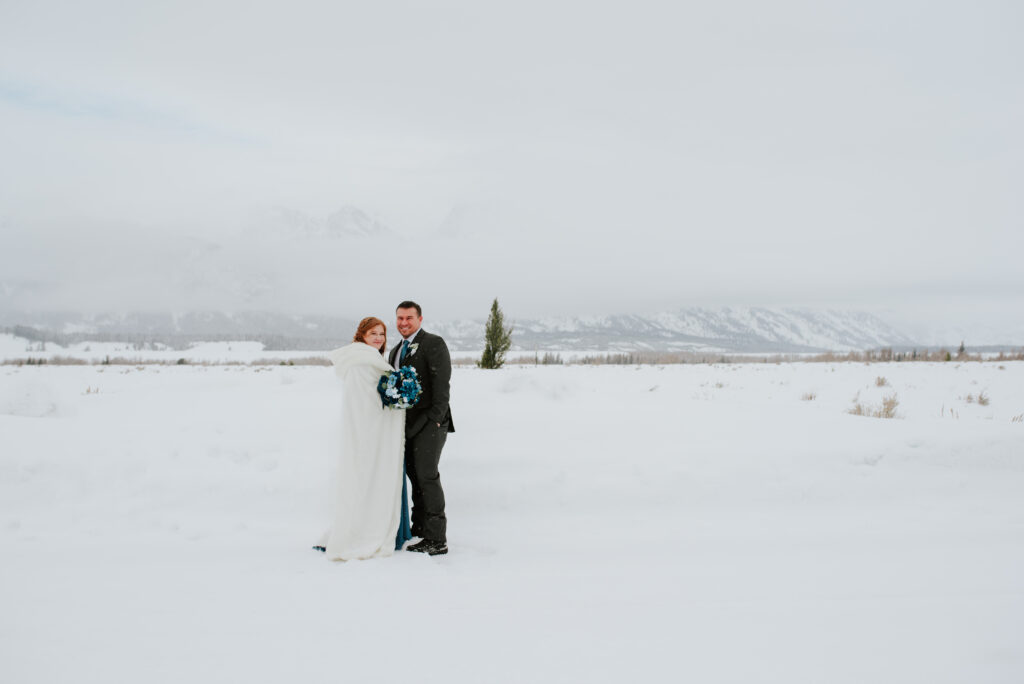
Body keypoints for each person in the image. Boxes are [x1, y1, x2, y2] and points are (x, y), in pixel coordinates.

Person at [314, 317, 412, 560]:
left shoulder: (371, 360)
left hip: (375, 434)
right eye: (373, 334)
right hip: (368, 436)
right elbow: (363, 404)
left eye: (382, 334)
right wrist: (393, 399)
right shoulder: (361, 363)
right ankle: (361, 534)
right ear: (362, 336)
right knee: (365, 482)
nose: (379, 338)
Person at [389, 301, 455, 556]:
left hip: (431, 422)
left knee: (427, 476)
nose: (404, 323)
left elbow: (442, 385)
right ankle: (419, 529)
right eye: (400, 318)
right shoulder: (395, 350)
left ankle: (437, 539)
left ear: (420, 319)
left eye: (409, 318)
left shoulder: (433, 343)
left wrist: (436, 419)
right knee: (413, 476)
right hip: (406, 425)